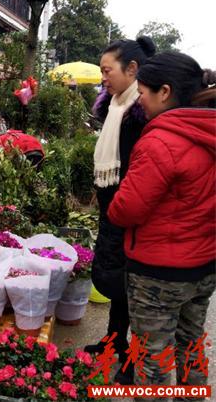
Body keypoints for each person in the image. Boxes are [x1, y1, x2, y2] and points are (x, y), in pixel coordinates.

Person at [108, 52, 215, 399]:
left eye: (143, 92)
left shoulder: (161, 141)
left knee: (152, 360)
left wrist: (114, 203)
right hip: (204, 266)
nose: (139, 99)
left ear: (165, 91)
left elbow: (126, 210)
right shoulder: (208, 134)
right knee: (191, 344)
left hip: (158, 275)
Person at [84, 36, 156, 384]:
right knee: (114, 281)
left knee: (134, 290)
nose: (103, 78)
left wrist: (123, 206)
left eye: (107, 70)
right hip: (113, 209)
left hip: (133, 214)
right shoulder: (115, 107)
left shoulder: (141, 116)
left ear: (132, 69)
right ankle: (114, 341)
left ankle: (133, 362)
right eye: (101, 71)